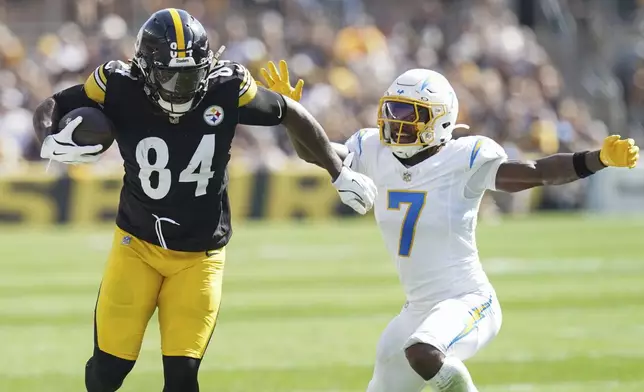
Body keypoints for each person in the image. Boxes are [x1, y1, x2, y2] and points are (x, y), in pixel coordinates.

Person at [32, 9, 377, 392]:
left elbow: (289, 112)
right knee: (107, 372)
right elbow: (54, 103)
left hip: (200, 257)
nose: (181, 87)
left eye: (191, 75)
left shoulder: (227, 85)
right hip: (136, 247)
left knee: (182, 380)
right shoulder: (117, 82)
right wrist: (47, 138)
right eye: (170, 75)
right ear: (145, 69)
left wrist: (337, 171)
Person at [259, 60, 639, 392]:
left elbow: (536, 173)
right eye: (393, 110)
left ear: (438, 120)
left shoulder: (463, 158)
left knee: (423, 351)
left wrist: (597, 158)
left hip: (468, 300)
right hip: (417, 307)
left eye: (410, 114)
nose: (396, 121)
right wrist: (290, 112)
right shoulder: (374, 149)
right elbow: (319, 152)